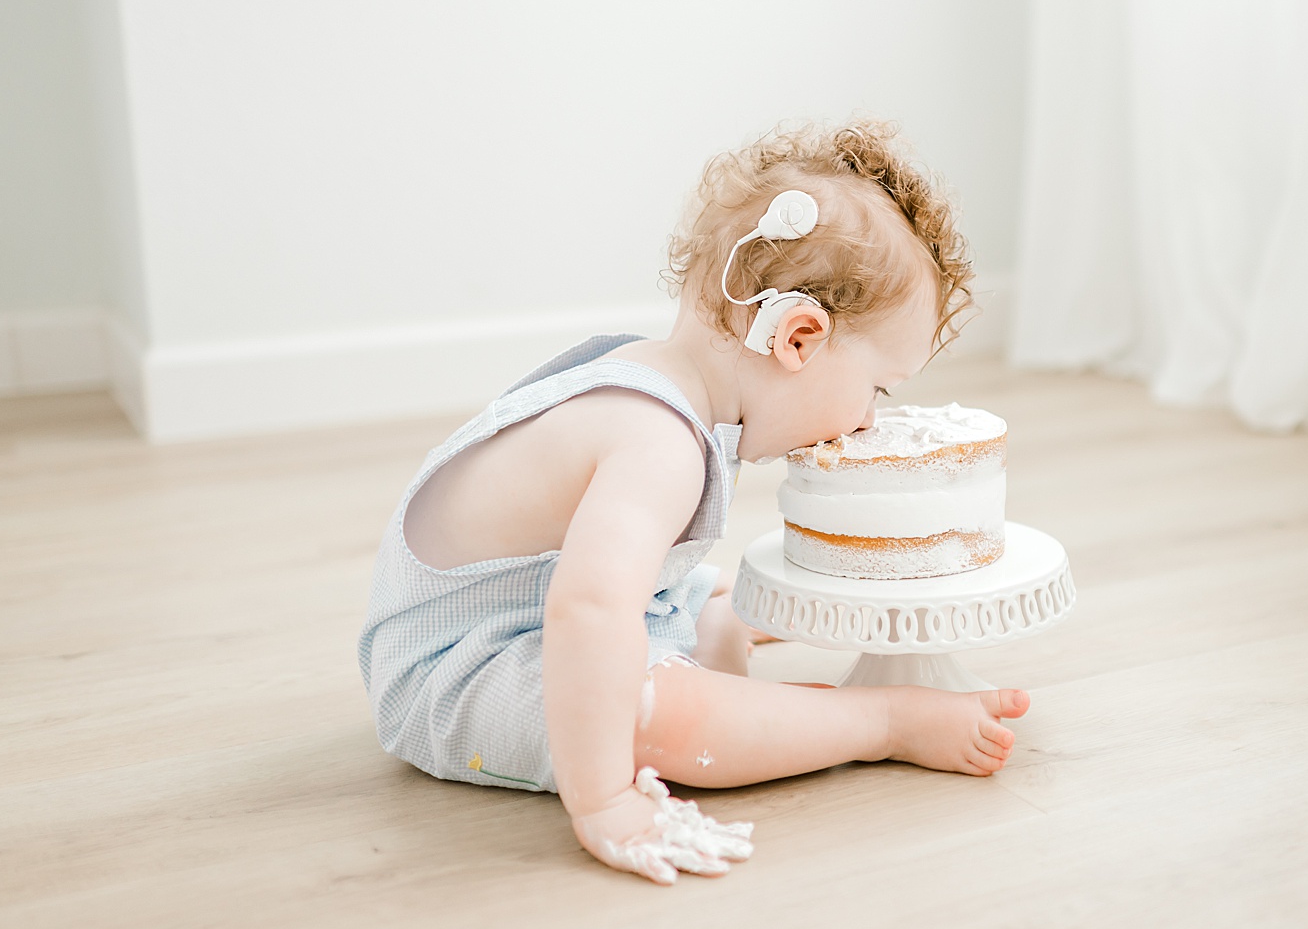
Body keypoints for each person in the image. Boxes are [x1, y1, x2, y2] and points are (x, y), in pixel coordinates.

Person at [357, 120, 1030, 884]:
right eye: (876, 389)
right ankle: (878, 722)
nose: (869, 419)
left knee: (707, 609)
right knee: (666, 717)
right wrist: (605, 798)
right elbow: (587, 613)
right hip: (456, 666)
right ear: (798, 339)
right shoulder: (660, 442)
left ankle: (731, 635)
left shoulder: (661, 383)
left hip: (521, 615)